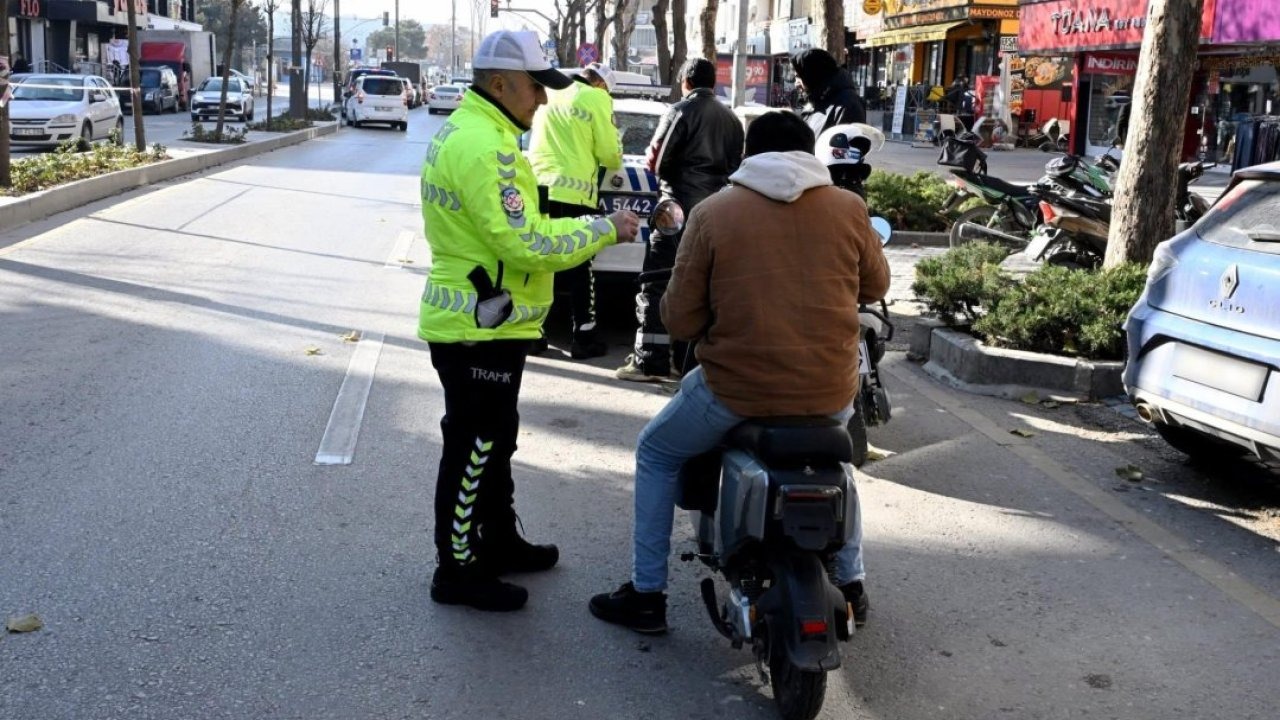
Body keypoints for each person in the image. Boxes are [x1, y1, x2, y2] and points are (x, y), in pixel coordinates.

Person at [589, 110, 891, 634]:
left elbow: (680, 317)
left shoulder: (712, 213)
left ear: (747, 156)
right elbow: (874, 287)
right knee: (835, 462)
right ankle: (853, 585)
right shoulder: (849, 208)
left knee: (657, 452)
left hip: (734, 391)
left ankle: (646, 594)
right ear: (810, 155)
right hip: (829, 390)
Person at [419, 30, 640, 612]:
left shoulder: (479, 133)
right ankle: (458, 568)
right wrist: (601, 228)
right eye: (534, 87)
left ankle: (498, 540)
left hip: (488, 321)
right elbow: (525, 243)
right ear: (499, 83)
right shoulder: (485, 147)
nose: (542, 100)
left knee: (495, 439)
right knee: (474, 447)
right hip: (479, 326)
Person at [616, 57, 744, 383]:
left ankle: (649, 362)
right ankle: (686, 362)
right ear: (712, 83)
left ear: (685, 81)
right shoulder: (732, 119)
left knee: (657, 280)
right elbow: (735, 167)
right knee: (701, 286)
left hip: (675, 208)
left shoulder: (680, 111)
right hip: (716, 210)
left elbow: (656, 161)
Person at [529, 62, 624, 360]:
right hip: (575, 194)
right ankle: (583, 336)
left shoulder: (550, 93)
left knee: (541, 261)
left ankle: (532, 333)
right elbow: (610, 154)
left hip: (539, 189)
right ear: (600, 84)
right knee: (578, 265)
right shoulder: (596, 98)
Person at [790, 48, 866, 135]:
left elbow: (848, 145)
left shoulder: (848, 105)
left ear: (812, 74)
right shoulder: (817, 100)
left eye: (799, 77)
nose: (796, 84)